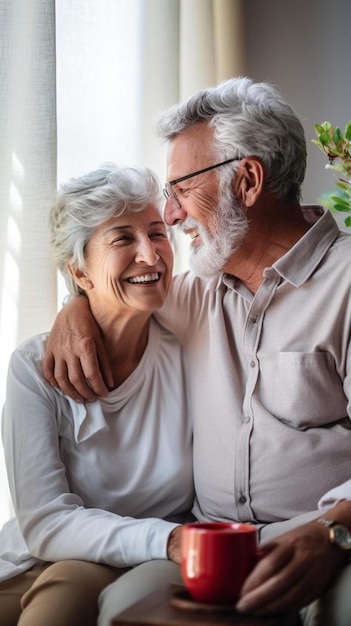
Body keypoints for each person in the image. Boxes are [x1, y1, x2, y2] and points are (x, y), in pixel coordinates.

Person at [42, 77, 351, 626]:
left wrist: (333, 532)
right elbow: (122, 285)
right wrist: (73, 306)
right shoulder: (198, 291)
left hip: (330, 543)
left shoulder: (346, 284)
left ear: (249, 180)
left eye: (181, 188)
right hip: (209, 546)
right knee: (123, 609)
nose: (172, 214)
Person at [0, 164, 194, 626]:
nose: (150, 255)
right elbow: (47, 522)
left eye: (157, 232)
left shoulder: (192, 334)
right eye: (123, 239)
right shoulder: (33, 369)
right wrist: (166, 539)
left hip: (152, 564)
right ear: (79, 271)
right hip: (46, 555)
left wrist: (77, 304)